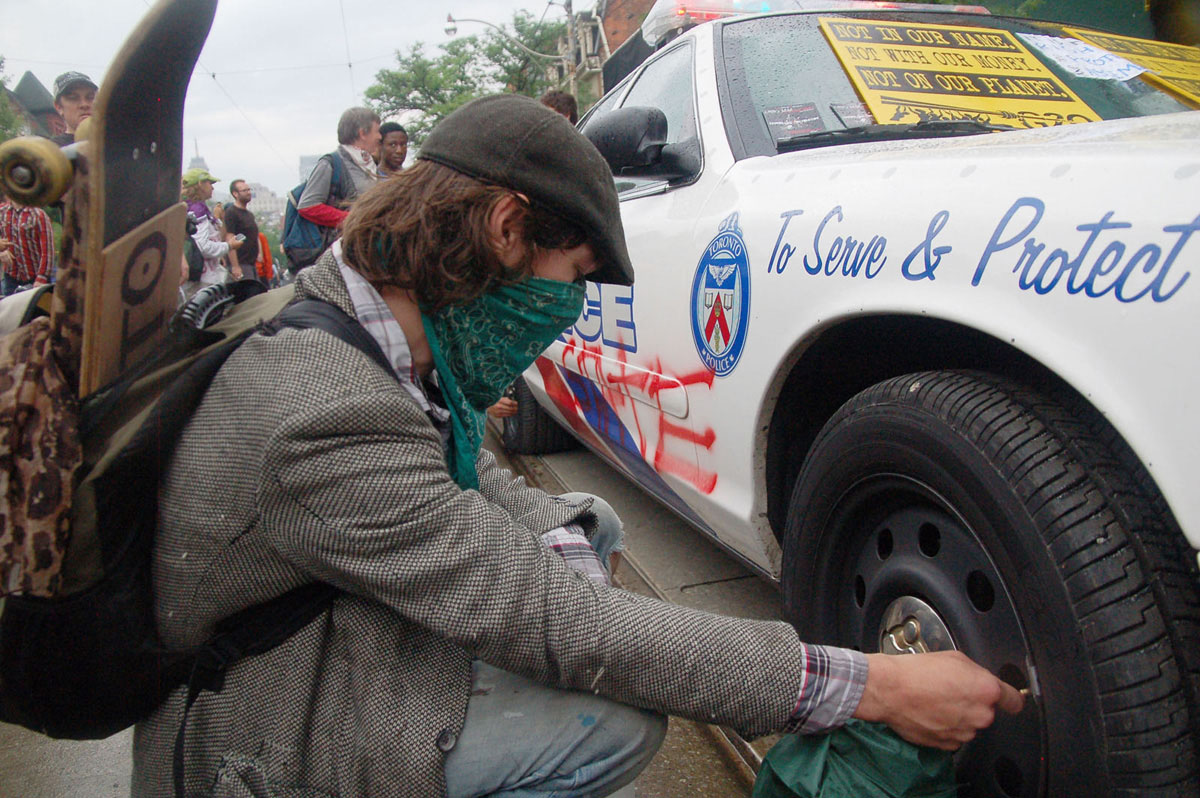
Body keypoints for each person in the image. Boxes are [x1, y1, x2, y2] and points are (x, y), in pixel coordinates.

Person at [132, 95, 1021, 797]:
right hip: (253, 727)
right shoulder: (325, 408)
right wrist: (868, 685)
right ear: (506, 228)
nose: (569, 309)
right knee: (610, 722)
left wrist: (567, 543)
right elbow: (557, 623)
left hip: (317, 633)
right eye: (575, 276)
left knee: (586, 519)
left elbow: (468, 475)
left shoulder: (366, 322)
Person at [294, 106, 382, 258]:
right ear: (362, 133)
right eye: (377, 131)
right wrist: (352, 219)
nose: (380, 137)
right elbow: (308, 205)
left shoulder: (369, 164)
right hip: (344, 253)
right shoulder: (331, 163)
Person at [179, 168, 242, 300]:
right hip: (202, 283)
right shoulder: (197, 210)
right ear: (200, 184)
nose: (212, 188)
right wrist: (229, 246)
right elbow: (203, 246)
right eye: (210, 183)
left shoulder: (195, 208)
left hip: (205, 280)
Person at [0, 184, 55, 295]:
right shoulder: (2, 212)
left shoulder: (38, 215)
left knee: (36, 306)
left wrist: (41, 278)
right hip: (11, 277)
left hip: (35, 278)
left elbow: (48, 251)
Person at [223, 179, 261, 284]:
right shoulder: (231, 213)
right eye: (244, 190)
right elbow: (230, 238)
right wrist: (235, 266)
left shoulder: (249, 214)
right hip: (241, 264)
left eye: (249, 190)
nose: (248, 193)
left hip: (251, 264)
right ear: (235, 194)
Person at [50, 71, 98, 146]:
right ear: (59, 107)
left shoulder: (114, 141)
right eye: (73, 98)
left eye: (90, 97)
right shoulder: (52, 149)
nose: (84, 104)